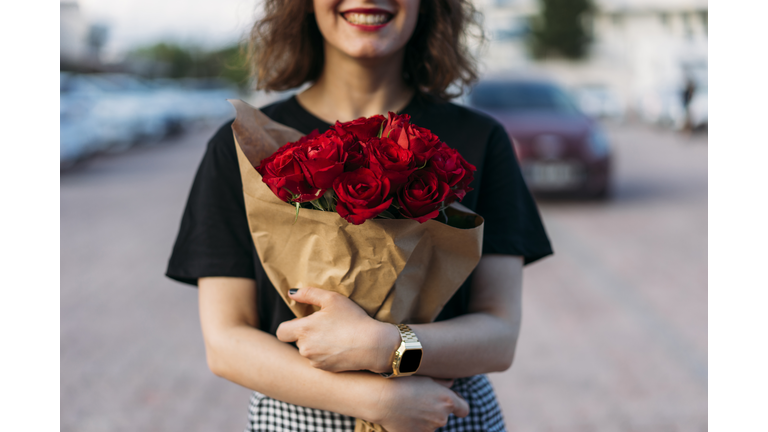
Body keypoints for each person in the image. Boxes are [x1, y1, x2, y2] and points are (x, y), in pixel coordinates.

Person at [166, 1, 553, 431]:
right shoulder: (243, 146)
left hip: (443, 412)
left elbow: (499, 336)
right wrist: (375, 399)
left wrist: (386, 345)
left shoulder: (481, 140)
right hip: (300, 413)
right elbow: (226, 341)